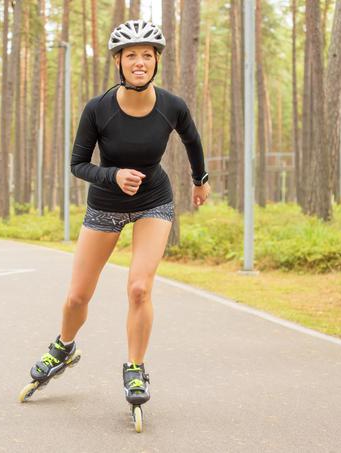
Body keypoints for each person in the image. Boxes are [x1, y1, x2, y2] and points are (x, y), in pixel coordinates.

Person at [20, 20, 210, 411]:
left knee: (139, 288)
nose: (139, 62)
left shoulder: (172, 106)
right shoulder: (98, 109)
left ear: (156, 62)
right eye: (131, 56)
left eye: (146, 55)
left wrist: (200, 180)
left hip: (154, 201)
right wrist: (113, 174)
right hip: (105, 205)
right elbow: (77, 164)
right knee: (77, 296)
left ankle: (136, 367)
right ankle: (64, 347)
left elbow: (192, 140)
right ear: (118, 63)